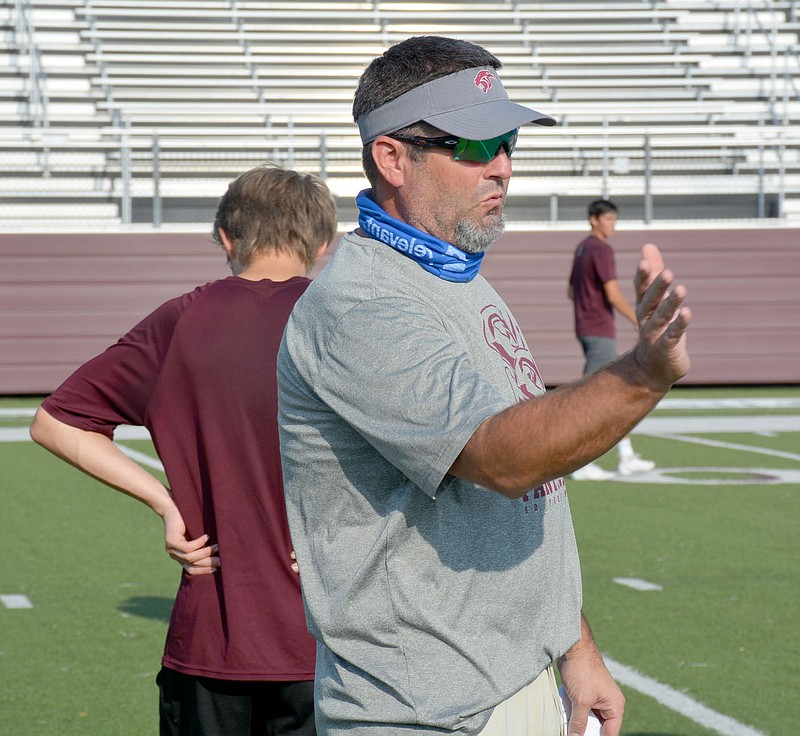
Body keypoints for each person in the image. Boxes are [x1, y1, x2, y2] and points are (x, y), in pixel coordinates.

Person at [277, 35, 691, 736]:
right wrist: (643, 374)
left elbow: (533, 502)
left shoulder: (459, 276)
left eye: (508, 143)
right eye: (473, 146)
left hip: (512, 683)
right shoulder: (362, 302)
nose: (501, 166)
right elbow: (505, 459)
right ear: (391, 156)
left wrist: (574, 643)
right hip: (424, 715)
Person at [30, 164, 338, 736]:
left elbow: (55, 422)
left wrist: (167, 505)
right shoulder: (349, 318)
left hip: (210, 642)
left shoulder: (182, 320)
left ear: (225, 236)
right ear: (324, 243)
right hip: (331, 639)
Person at [567, 198, 656, 481]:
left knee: (612, 393)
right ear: (594, 219)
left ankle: (626, 455)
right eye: (608, 219)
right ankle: (579, 463)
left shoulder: (582, 248)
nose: (612, 225)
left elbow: (571, 291)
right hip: (598, 330)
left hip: (587, 327)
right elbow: (613, 293)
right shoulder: (601, 249)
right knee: (595, 398)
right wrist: (637, 320)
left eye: (614, 220)